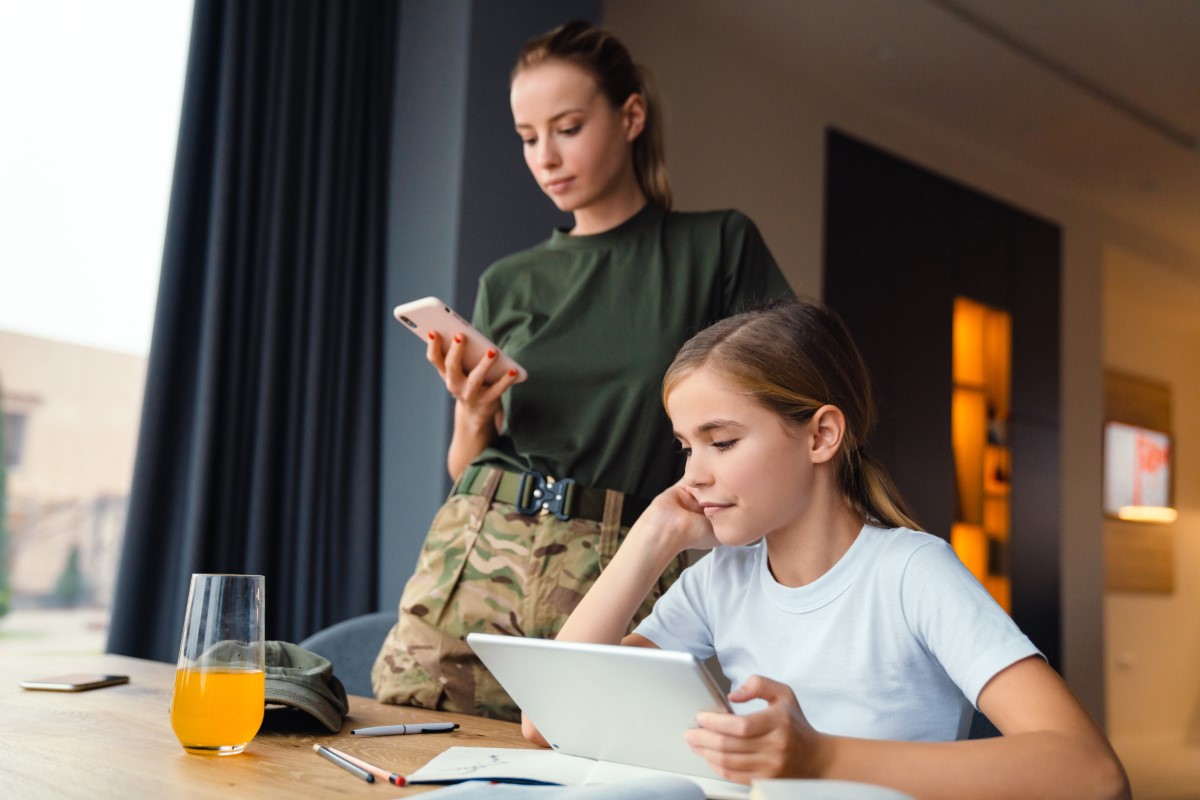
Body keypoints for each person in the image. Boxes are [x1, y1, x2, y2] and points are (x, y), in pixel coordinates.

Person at [531, 300, 1131, 799]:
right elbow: (548, 719)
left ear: (821, 435)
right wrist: (649, 541)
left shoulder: (911, 574)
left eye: (721, 441)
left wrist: (816, 756)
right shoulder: (721, 579)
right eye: (687, 447)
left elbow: (1092, 774)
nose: (694, 475)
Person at [371, 20, 792, 721]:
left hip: (619, 562)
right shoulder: (508, 281)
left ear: (630, 116)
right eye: (528, 137)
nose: (545, 157)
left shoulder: (715, 247)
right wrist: (473, 414)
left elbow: (780, 404)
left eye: (567, 127)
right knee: (417, 750)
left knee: (604, 759)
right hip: (478, 544)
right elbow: (467, 468)